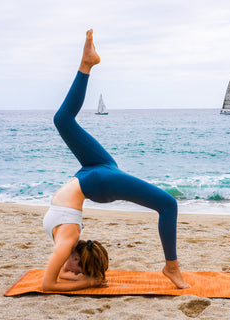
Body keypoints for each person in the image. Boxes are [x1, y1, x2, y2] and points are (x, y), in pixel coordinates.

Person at [42, 29, 190, 292]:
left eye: (75, 270)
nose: (69, 270)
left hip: (95, 173)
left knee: (62, 120)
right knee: (168, 205)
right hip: (96, 179)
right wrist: (87, 279)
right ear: (78, 259)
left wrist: (83, 278)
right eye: (78, 270)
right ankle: (171, 267)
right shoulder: (67, 241)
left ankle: (86, 64)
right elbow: (55, 280)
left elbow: (49, 283)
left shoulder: (67, 244)